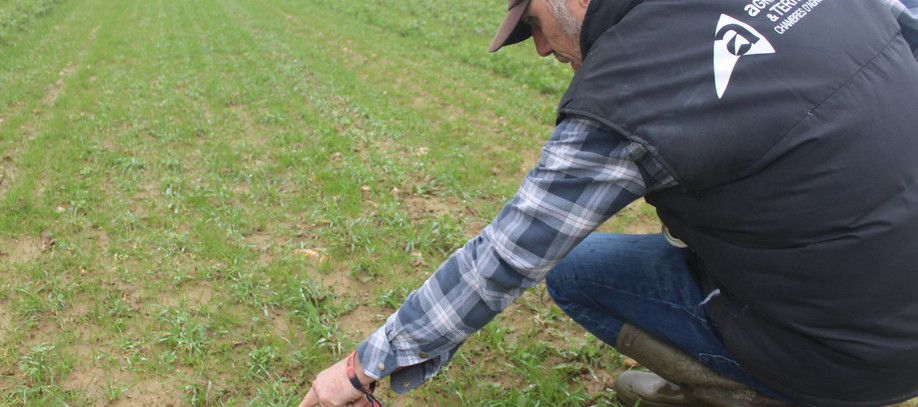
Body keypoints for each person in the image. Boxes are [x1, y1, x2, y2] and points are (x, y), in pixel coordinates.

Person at [298, 0, 918, 406]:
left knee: (577, 270)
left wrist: (356, 371)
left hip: (851, 359)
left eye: (532, 25)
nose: (539, 49)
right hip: (888, 297)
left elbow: (506, 256)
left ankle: (760, 392)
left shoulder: (635, 88)